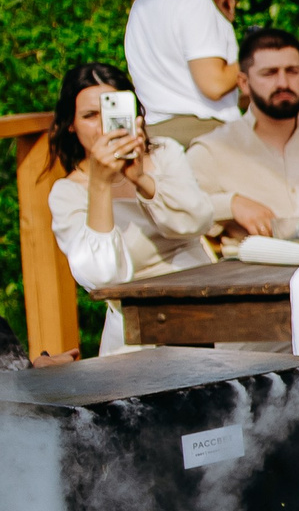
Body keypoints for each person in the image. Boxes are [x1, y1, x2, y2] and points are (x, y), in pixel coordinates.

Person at [45, 62, 226, 354]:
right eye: (90, 116)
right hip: (137, 333)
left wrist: (142, 179)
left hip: (204, 310)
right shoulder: (68, 193)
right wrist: (101, 185)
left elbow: (199, 221)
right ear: (71, 124)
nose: (104, 126)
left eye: (111, 112)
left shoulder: (164, 153)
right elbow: (102, 278)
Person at [186, 28, 299, 238]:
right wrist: (231, 204)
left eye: (292, 71)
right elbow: (182, 208)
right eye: (269, 73)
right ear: (243, 83)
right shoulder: (213, 148)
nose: (283, 83)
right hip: (259, 268)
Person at [122, 0, 240, 144]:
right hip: (202, 137)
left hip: (155, 134)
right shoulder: (194, 2)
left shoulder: (142, 3)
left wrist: (221, 24)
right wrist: (252, 60)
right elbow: (214, 84)